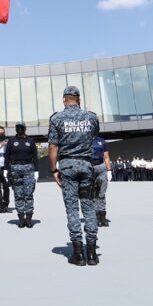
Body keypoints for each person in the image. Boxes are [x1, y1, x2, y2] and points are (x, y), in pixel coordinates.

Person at [48, 85, 101, 267]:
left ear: (64, 99)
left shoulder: (57, 119)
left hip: (67, 166)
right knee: (88, 207)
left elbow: (53, 146)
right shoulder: (91, 117)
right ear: (79, 99)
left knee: (72, 208)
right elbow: (94, 135)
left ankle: (78, 253)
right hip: (86, 165)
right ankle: (92, 253)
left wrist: (54, 169)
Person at [4, 122, 38, 228]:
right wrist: (6, 169)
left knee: (28, 194)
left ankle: (28, 219)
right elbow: (7, 156)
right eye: (17, 127)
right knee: (18, 194)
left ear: (25, 128)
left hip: (28, 168)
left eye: (21, 127)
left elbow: (35, 156)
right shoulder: (11, 141)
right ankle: (21, 219)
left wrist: (36, 171)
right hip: (15, 169)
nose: (19, 129)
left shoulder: (30, 141)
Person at [90, 133, 111, 227]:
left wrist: (109, 170)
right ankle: (96, 217)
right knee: (93, 193)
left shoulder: (101, 141)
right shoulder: (84, 140)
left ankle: (103, 217)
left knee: (102, 193)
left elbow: (106, 157)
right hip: (89, 167)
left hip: (101, 167)